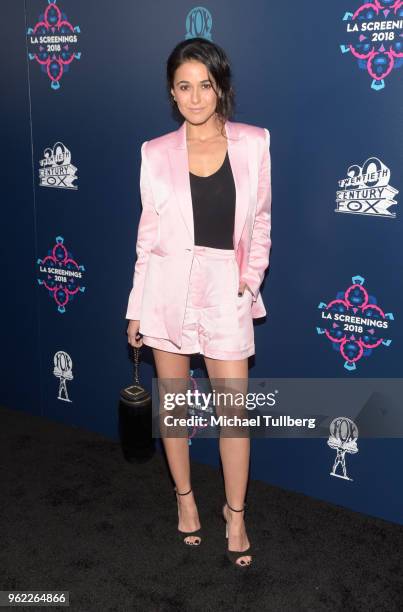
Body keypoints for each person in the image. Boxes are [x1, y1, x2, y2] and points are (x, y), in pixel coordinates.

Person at [126, 37, 272, 568]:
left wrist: (248, 282)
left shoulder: (254, 143)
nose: (194, 97)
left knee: (234, 413)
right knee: (174, 404)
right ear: (172, 91)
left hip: (224, 288)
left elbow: (259, 225)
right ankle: (185, 500)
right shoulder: (154, 152)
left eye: (204, 85)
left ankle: (236, 512)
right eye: (184, 86)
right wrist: (136, 305)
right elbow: (147, 238)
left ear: (220, 87)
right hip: (166, 288)